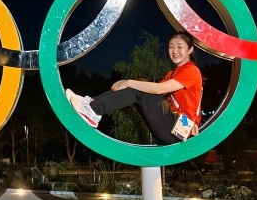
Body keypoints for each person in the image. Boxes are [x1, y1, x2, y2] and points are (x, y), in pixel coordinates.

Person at [66, 31, 202, 145]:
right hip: (174, 125)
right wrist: (128, 84)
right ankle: (91, 105)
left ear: (190, 49)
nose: (174, 51)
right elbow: (152, 93)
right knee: (140, 86)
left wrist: (128, 82)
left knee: (138, 87)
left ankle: (94, 110)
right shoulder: (172, 74)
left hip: (181, 128)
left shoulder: (191, 70)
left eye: (180, 47)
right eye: (171, 47)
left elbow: (158, 90)